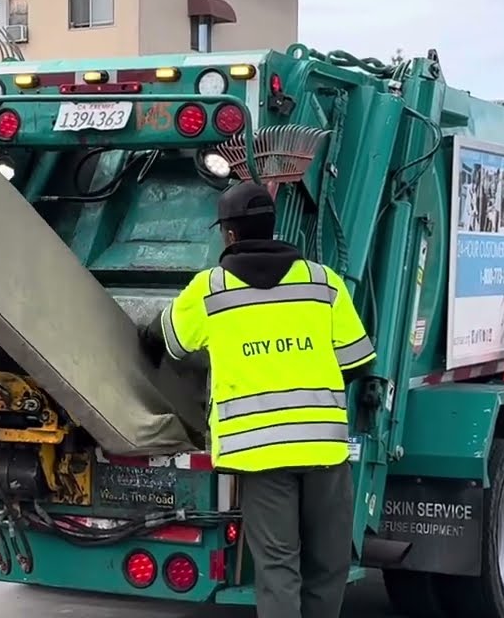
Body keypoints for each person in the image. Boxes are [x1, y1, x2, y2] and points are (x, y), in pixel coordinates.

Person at [140, 181, 377, 618]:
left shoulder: (210, 290)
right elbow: (358, 361)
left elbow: (167, 339)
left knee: (278, 567)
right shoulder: (323, 283)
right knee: (328, 565)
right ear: (271, 226)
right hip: (323, 449)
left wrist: (146, 338)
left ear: (228, 234)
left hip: (259, 455)